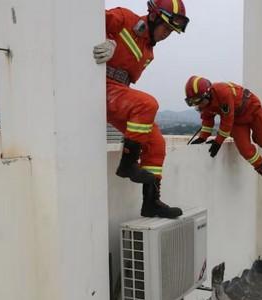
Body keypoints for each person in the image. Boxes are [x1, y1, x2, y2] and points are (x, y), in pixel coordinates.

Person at [93, 0, 190, 218]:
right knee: (147, 104)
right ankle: (128, 165)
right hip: (99, 87)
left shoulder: (148, 51)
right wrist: (109, 40)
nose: (167, 34)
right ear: (153, 16)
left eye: (172, 31)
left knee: (156, 143)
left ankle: (151, 202)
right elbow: (88, 20)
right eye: (166, 27)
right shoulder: (125, 18)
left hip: (118, 93)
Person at [185, 76, 262, 194]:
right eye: (193, 102)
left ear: (207, 94)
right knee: (245, 149)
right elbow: (207, 120)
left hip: (252, 110)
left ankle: (257, 136)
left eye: (198, 100)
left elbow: (226, 121)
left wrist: (218, 142)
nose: (197, 105)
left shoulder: (223, 92)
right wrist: (202, 138)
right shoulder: (205, 104)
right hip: (238, 120)